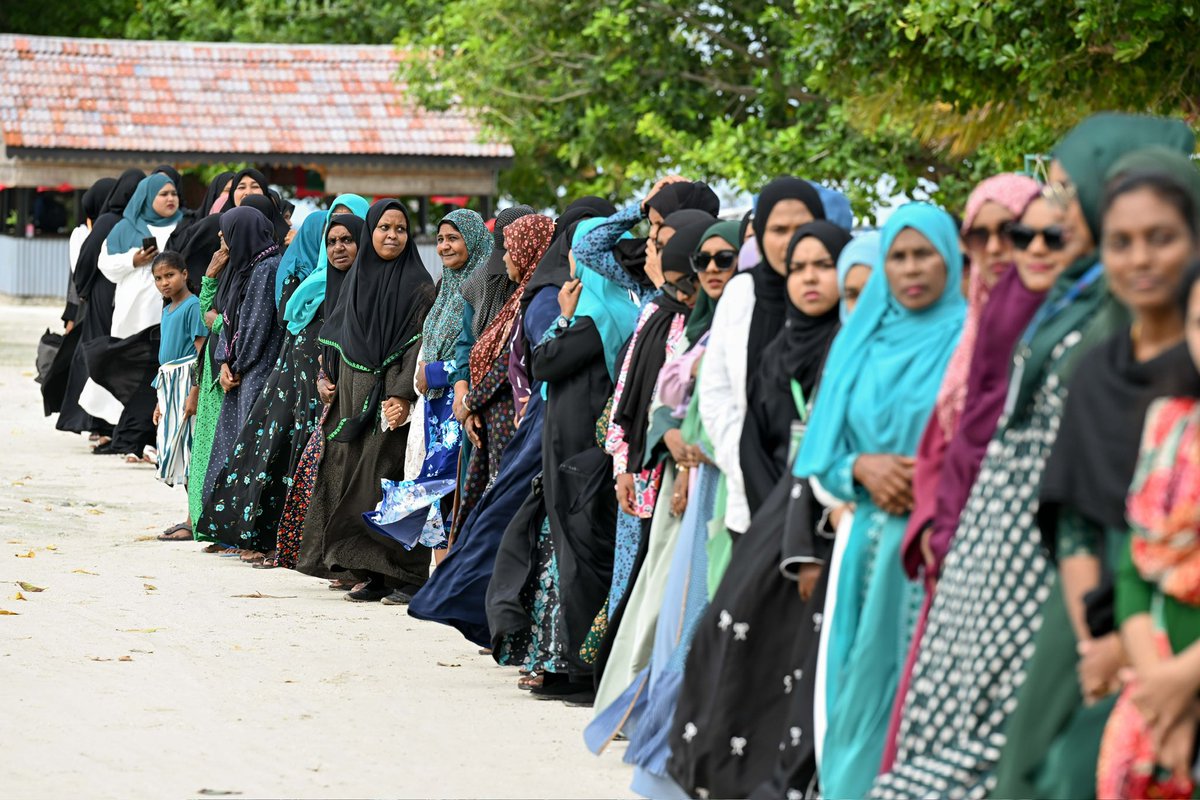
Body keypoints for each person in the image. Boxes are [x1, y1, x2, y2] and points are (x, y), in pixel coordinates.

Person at [763, 203, 964, 800]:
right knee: (855, 699)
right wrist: (861, 467)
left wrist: (930, 476)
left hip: (946, 551)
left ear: (950, 258)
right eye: (897, 257)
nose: (911, 268)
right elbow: (820, 453)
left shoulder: (976, 340)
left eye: (923, 253)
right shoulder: (861, 342)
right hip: (868, 548)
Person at [661, 221, 850, 799]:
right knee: (730, 657)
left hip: (834, 530)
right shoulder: (780, 348)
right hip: (771, 517)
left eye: (825, 265)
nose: (811, 278)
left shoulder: (852, 347)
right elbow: (747, 428)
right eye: (799, 267)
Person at [1041, 147, 1200, 799]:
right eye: (1122, 241)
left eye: (1161, 239)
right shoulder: (1099, 372)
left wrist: (1174, 680)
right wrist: (1100, 643)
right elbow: (1075, 515)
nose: (1139, 260)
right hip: (1118, 629)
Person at [878, 173, 1040, 769]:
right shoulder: (980, 328)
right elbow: (941, 448)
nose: (997, 248)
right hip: (948, 554)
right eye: (981, 234)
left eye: (1015, 231)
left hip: (1022, 564)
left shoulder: (1047, 325)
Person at [409, 213, 557, 639]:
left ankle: (491, 612)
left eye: (507, 246)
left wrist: (467, 396)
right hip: (471, 415)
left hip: (508, 423)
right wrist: (462, 392)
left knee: (497, 517)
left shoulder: (536, 299)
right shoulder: (480, 285)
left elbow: (517, 362)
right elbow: (467, 345)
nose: (501, 256)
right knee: (476, 512)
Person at [296, 199, 435, 602]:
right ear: (370, 232)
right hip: (348, 404)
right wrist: (325, 379)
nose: (392, 236)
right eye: (384, 228)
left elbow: (418, 348)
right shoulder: (354, 283)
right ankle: (368, 573)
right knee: (347, 481)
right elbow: (335, 341)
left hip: (389, 406)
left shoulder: (419, 288)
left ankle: (400, 573)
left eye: (400, 229)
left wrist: (402, 394)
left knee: (381, 484)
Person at [1099, 260, 1200, 798]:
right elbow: (1134, 568)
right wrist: (1159, 693)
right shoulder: (1169, 422)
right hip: (1154, 677)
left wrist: (1182, 688)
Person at [697, 177, 827, 588]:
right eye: (778, 229)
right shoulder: (741, 293)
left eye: (800, 227)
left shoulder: (838, 297)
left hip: (823, 502)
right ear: (760, 232)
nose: (790, 241)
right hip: (747, 494)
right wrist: (747, 466)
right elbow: (715, 393)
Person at [399, 209, 492, 563]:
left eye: (453, 238)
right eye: (440, 239)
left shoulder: (484, 287)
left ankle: (451, 573)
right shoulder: (448, 286)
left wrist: (436, 373)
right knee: (440, 491)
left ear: (473, 239)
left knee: (450, 486)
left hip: (460, 401)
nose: (444, 246)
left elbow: (482, 349)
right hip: (435, 406)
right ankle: (441, 574)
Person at [274, 214, 364, 572]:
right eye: (332, 241)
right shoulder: (328, 286)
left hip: (363, 400)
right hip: (331, 398)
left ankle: (349, 562)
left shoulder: (367, 286)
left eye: (347, 240)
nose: (338, 248)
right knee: (321, 474)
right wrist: (324, 377)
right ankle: (321, 557)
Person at [198, 205, 286, 542]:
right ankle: (228, 529)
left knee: (248, 452)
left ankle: (246, 533)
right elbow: (229, 318)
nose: (222, 241)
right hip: (239, 372)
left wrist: (232, 363)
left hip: (257, 372)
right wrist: (223, 361)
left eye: (226, 235)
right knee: (234, 449)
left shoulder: (267, 269)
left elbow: (256, 326)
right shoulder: (245, 268)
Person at [83, 172, 183, 460]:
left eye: (173, 194)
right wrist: (133, 260)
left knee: (158, 374)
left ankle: (147, 440)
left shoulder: (183, 226)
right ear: (147, 197)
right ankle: (127, 436)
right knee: (132, 372)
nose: (170, 199)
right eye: (163, 194)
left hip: (167, 312)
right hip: (133, 312)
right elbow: (105, 264)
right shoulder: (126, 228)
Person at [148, 252, 208, 540]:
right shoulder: (167, 309)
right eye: (158, 278)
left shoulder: (193, 306)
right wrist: (160, 402)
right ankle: (192, 517)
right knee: (179, 455)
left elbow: (201, 354)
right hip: (169, 386)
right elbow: (165, 359)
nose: (164, 282)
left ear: (185, 274)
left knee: (190, 451)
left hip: (186, 384)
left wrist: (194, 392)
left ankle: (193, 519)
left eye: (169, 275)